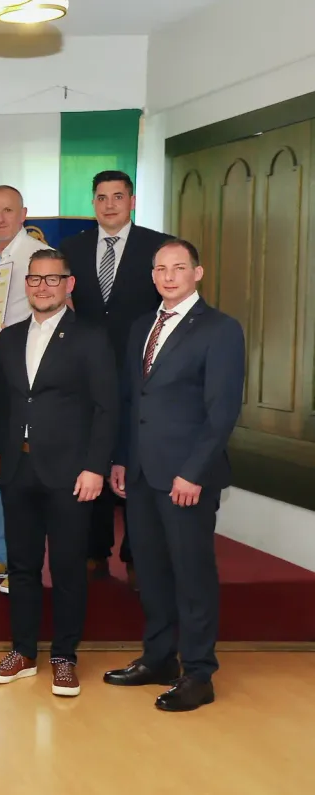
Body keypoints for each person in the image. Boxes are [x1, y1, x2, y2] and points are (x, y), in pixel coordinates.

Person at [104, 238, 245, 712]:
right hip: (143, 474)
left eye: (178, 268)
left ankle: (200, 673)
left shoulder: (220, 330)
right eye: (160, 268)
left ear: (197, 274)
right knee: (153, 574)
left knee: (193, 575)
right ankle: (159, 658)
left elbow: (222, 412)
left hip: (187, 478)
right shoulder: (143, 326)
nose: (168, 276)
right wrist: (122, 458)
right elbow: (131, 403)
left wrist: (194, 472)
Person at [0, 249, 118, 697]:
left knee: (66, 569)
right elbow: (2, 401)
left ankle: (64, 656)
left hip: (70, 474)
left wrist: (96, 467)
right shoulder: (10, 336)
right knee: (20, 567)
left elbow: (106, 408)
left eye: (52, 280)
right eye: (35, 279)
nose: (42, 287)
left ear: (69, 284)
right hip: (18, 468)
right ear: (26, 284)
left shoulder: (90, 337)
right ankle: (22, 652)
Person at [61, 170, 172, 585]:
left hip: (141, 367)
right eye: (102, 197)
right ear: (93, 203)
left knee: (136, 460)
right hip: (86, 369)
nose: (109, 204)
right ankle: (96, 550)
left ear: (132, 201)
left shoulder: (156, 246)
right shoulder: (71, 247)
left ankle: (135, 550)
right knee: (94, 457)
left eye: (117, 196)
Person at [0, 184, 50, 592]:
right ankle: (0, 553)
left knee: (22, 468)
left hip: (25, 378)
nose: (0, 218)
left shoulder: (39, 258)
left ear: (23, 213)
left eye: (7, 211)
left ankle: (23, 560)